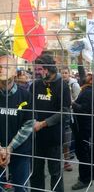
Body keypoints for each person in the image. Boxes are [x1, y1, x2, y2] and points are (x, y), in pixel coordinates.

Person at [30, 53, 71, 192]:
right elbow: (30, 106)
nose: (37, 72)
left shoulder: (63, 86)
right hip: (36, 137)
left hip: (54, 138)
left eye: (39, 69)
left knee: (55, 173)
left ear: (47, 69)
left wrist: (43, 123)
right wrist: (33, 119)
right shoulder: (35, 85)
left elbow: (65, 111)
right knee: (36, 172)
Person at [0, 56, 34, 192]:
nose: (2, 70)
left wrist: (9, 148)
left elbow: (28, 125)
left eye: (7, 67)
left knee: (21, 188)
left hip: (20, 151)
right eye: (0, 67)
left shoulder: (26, 96)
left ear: (15, 72)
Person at [70, 71, 94, 190]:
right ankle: (93, 174)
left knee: (82, 153)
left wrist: (72, 104)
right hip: (89, 127)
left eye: (91, 75)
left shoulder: (88, 92)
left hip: (83, 127)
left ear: (92, 80)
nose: (88, 76)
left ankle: (84, 179)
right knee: (89, 151)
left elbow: (84, 110)